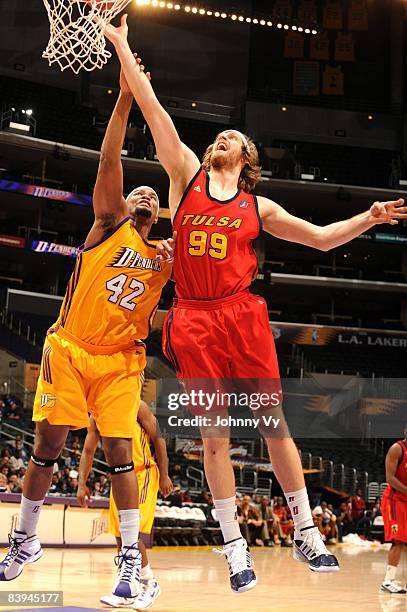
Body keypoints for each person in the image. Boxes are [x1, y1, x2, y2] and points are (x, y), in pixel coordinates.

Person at [103, 14, 407, 593]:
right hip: (192, 317)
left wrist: (367, 219)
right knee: (215, 438)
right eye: (219, 137)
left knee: (273, 425)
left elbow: (319, 238)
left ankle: (306, 532)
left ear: (247, 158)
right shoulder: (185, 175)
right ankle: (234, 547)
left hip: (242, 315)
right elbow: (154, 110)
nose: (221, 141)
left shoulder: (258, 208)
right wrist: (120, 42)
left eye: (232, 141)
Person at [0, 61, 172, 603]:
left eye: (152, 194)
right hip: (70, 347)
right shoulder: (106, 223)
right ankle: (25, 539)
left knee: (121, 446)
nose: (143, 195)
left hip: (122, 359)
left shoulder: (167, 258)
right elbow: (110, 160)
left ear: (161, 211)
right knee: (48, 444)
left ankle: (128, 563)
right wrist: (123, 99)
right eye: (136, 192)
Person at [77, 400, 173, 609]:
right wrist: (81, 483)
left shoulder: (137, 405)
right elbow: (87, 451)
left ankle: (150, 584)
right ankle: (129, 588)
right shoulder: (97, 413)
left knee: (133, 533)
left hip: (143, 472)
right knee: (121, 535)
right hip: (119, 476)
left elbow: (159, 438)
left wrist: (164, 475)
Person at [380, 431, 407, 594]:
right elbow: (390, 478)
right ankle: (388, 581)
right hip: (394, 500)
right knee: (398, 540)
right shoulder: (397, 449)